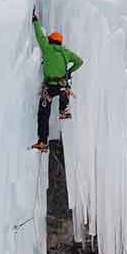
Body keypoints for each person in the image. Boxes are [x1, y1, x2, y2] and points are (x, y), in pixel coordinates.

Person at [31, 9, 82, 151]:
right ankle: (63, 109)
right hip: (61, 86)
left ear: (51, 40)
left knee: (43, 115)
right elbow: (79, 61)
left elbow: (39, 35)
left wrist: (35, 20)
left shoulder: (47, 48)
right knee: (66, 85)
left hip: (49, 87)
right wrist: (69, 71)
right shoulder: (66, 52)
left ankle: (42, 142)